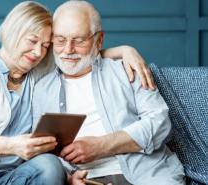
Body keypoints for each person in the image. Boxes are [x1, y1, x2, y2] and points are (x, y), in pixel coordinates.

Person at [0, 1, 154, 185]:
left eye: (46, 45)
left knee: (50, 164)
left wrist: (125, 50)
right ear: (13, 33)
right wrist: (10, 146)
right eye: (32, 41)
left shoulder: (36, 72)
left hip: (9, 178)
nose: (38, 52)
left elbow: (78, 56)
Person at [32, 1, 185, 185]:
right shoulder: (41, 89)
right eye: (60, 39)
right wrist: (68, 178)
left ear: (99, 40)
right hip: (85, 180)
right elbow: (43, 151)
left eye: (79, 40)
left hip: (146, 174)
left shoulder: (127, 69)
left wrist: (101, 146)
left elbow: (160, 123)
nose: (68, 49)